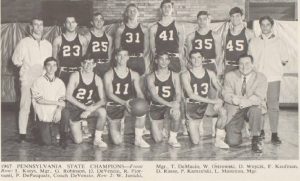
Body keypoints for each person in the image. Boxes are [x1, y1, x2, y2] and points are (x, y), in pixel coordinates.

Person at [248, 16, 288, 144]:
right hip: (258, 78)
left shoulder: (279, 41)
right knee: (259, 105)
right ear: (260, 26)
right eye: (263, 25)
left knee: (273, 106)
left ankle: (274, 134)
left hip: (273, 78)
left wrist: (274, 67)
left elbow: (284, 60)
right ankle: (260, 131)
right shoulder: (253, 41)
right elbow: (250, 61)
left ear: (272, 26)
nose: (265, 27)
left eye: (267, 25)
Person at [12, 16, 52, 143]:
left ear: (44, 27)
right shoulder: (24, 42)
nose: (39, 27)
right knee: (25, 106)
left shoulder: (48, 44)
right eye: (36, 24)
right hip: (28, 80)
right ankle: (22, 135)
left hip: (42, 80)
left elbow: (50, 63)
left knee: (41, 106)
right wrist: (27, 70)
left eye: (41, 24)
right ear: (31, 27)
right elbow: (15, 60)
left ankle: (40, 133)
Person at [181, 50, 228, 148]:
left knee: (223, 112)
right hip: (192, 106)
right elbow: (191, 95)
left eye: (198, 57)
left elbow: (219, 88)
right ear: (190, 59)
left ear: (203, 59)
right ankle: (188, 123)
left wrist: (222, 97)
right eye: (193, 58)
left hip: (206, 105)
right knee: (195, 142)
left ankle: (218, 139)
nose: (196, 60)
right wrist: (214, 101)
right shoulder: (185, 74)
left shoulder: (210, 73)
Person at [103, 48, 150, 148]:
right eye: (120, 55)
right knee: (117, 141)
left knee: (142, 109)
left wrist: (143, 102)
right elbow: (109, 94)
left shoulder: (134, 74)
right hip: (114, 105)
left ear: (128, 57)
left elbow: (138, 92)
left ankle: (138, 139)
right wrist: (124, 103)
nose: (122, 58)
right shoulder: (109, 74)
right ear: (115, 57)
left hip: (128, 104)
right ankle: (114, 122)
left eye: (125, 55)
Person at [59, 53, 107, 148]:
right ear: (81, 64)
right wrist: (85, 108)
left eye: (90, 63)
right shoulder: (75, 75)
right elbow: (68, 96)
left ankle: (97, 139)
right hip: (75, 108)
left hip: (88, 107)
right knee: (78, 141)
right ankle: (71, 128)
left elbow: (103, 100)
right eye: (85, 63)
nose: (88, 66)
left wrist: (90, 109)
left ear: (94, 64)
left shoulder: (97, 79)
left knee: (102, 112)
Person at [222, 54, 268, 153]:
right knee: (232, 142)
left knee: (256, 109)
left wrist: (247, 101)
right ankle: (241, 128)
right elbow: (226, 93)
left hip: (252, 107)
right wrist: (234, 99)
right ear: (238, 65)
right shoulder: (229, 76)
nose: (244, 66)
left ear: (252, 65)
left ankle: (255, 138)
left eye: (247, 63)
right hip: (235, 107)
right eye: (241, 64)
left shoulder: (261, 77)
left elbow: (259, 96)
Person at [147, 51, 182, 147]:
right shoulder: (151, 77)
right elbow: (155, 96)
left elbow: (178, 93)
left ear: (169, 61)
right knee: (158, 140)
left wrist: (176, 103)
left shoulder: (174, 75)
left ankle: (173, 138)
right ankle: (160, 126)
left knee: (176, 112)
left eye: (166, 59)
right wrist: (170, 104)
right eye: (161, 59)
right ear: (156, 61)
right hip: (156, 107)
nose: (164, 61)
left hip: (168, 107)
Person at [31, 57, 66, 146]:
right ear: (45, 67)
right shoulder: (38, 81)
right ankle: (38, 129)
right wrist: (57, 103)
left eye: (54, 65)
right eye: (49, 65)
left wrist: (59, 110)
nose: (51, 68)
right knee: (47, 143)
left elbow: (62, 100)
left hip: (55, 111)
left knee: (66, 112)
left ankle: (63, 136)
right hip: (43, 112)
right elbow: (40, 100)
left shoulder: (60, 82)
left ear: (57, 67)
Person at [149, 0, 185, 73]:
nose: (166, 9)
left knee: (175, 82)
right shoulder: (154, 27)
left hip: (174, 59)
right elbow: (152, 49)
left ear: (172, 9)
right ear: (161, 9)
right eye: (164, 7)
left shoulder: (179, 26)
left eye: (169, 7)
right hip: (160, 59)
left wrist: (181, 60)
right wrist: (155, 61)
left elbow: (181, 47)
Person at [52, 15, 89, 85]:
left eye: (73, 22)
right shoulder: (57, 40)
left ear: (76, 24)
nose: (71, 24)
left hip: (78, 72)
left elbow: (84, 60)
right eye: (68, 22)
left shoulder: (83, 39)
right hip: (63, 72)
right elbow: (54, 60)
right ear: (64, 24)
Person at [115, 3, 149, 76]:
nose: (132, 12)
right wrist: (123, 59)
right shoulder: (120, 29)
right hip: (126, 59)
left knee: (139, 84)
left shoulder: (144, 29)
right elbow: (117, 48)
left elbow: (146, 48)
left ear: (138, 13)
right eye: (130, 11)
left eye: (134, 11)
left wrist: (140, 57)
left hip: (139, 59)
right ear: (126, 13)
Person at [186, 11, 223, 75]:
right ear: (197, 20)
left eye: (204, 19)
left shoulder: (215, 36)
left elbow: (219, 55)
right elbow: (189, 55)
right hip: (196, 66)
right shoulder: (191, 36)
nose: (202, 21)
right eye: (199, 19)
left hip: (210, 65)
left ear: (209, 20)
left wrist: (216, 67)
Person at [222, 7, 254, 74]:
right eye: (232, 16)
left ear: (242, 17)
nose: (235, 19)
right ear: (230, 18)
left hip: (243, 67)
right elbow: (225, 51)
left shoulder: (249, 33)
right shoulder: (225, 33)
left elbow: (252, 53)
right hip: (229, 66)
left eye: (237, 16)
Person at [85, 12, 113, 78]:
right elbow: (84, 55)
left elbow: (109, 55)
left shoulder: (109, 37)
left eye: (101, 19)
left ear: (103, 22)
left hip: (105, 65)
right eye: (96, 19)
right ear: (92, 22)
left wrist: (109, 66)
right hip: (93, 66)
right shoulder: (87, 36)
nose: (99, 21)